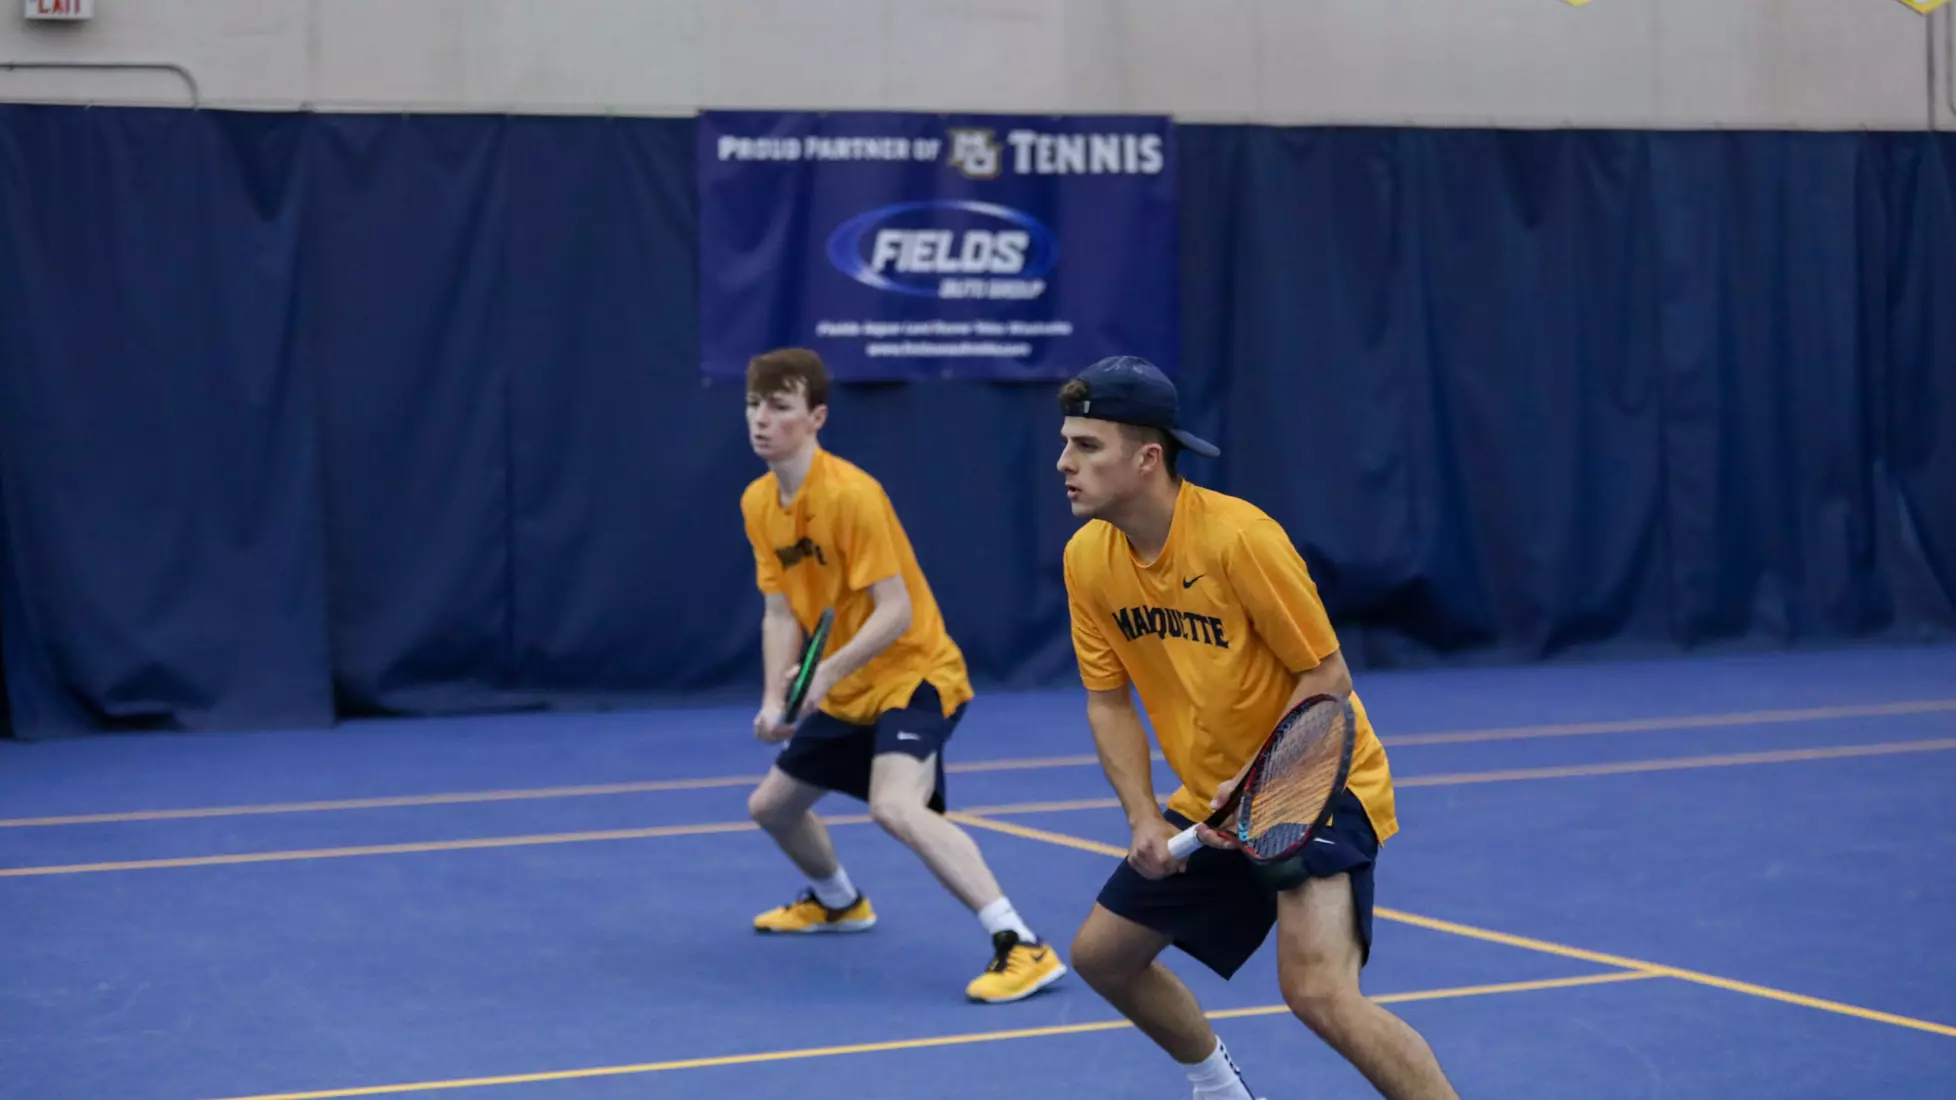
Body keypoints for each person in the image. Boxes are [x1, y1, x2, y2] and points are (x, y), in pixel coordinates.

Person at [1054, 356, 1459, 1099]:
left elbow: (1327, 676)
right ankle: (1222, 1090)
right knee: (1104, 957)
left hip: (1317, 781)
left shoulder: (1239, 539)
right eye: (1066, 444)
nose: (1065, 464)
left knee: (1319, 992)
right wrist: (1142, 815)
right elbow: (1108, 700)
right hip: (1215, 799)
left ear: (1147, 459)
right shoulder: (1087, 561)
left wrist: (1262, 776)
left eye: (1087, 446)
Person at [738, 347, 1068, 1005]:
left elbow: (896, 612)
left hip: (915, 674)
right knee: (771, 808)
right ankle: (839, 902)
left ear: (816, 417)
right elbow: (778, 612)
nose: (761, 419)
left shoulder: (852, 496)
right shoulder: (758, 503)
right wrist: (777, 697)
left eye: (778, 407)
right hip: (848, 688)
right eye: (753, 405)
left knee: (895, 807)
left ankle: (1022, 944)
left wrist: (823, 673)